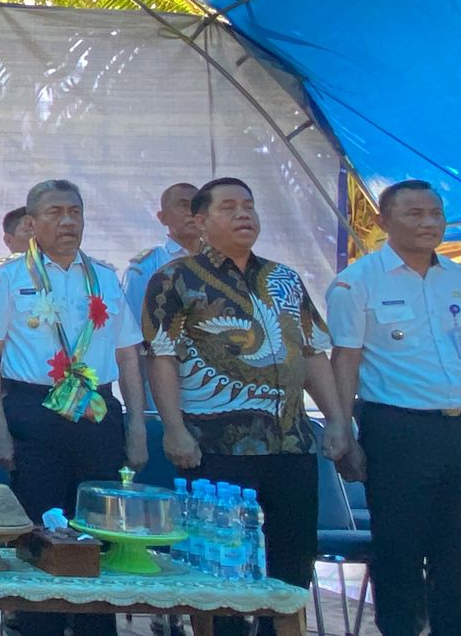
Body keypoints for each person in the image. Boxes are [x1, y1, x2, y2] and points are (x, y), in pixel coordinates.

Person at [146, 177, 350, 636]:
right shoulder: (175, 279)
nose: (244, 215)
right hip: (216, 449)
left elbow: (314, 353)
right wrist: (173, 428)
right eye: (229, 207)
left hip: (291, 443)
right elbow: (161, 357)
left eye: (249, 206)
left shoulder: (284, 278)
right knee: (220, 573)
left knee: (292, 568)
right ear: (199, 221)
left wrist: (337, 419)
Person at [0, 179, 146, 636]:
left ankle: (95, 627)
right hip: (34, 413)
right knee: (41, 534)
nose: (68, 222)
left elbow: (128, 354)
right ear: (31, 223)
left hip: (97, 411)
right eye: (55, 213)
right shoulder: (7, 277)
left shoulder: (104, 277)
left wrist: (138, 429)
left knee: (98, 534)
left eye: (75, 212)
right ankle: (36, 625)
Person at [328, 180, 461, 636]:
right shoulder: (355, 283)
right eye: (414, 214)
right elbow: (345, 358)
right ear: (383, 222)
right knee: (399, 547)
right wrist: (342, 431)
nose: (428, 223)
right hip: (398, 429)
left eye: (435, 214)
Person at [120, 182, 200, 321]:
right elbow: (133, 327)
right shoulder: (145, 267)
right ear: (163, 218)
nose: (191, 212)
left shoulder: (221, 261)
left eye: (196, 206)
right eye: (183, 205)